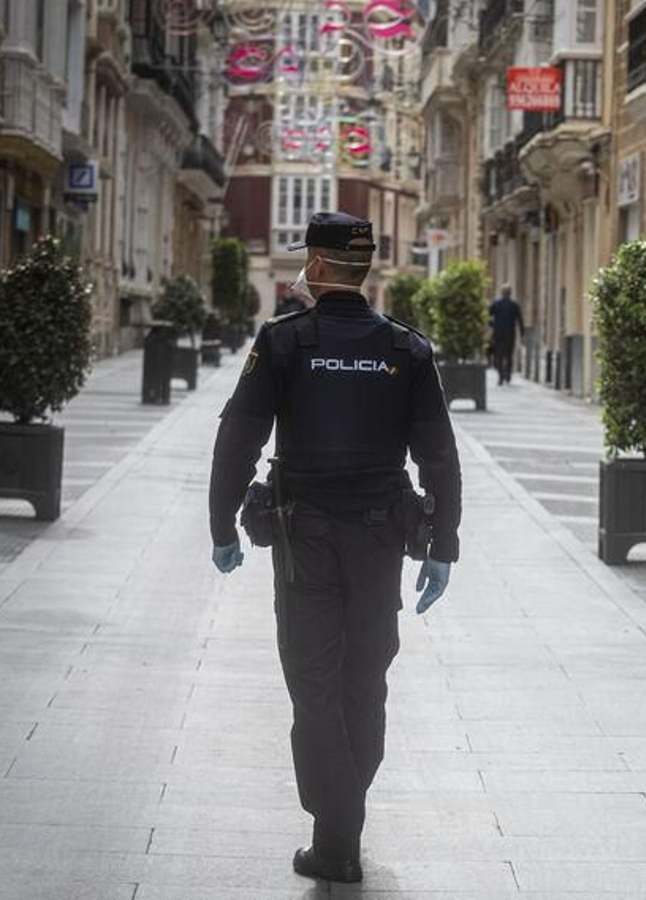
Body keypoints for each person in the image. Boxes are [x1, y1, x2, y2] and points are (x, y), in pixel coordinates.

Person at [206, 212, 462, 885]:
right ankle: (341, 823)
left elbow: (238, 436)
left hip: (304, 541)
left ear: (317, 267)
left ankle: (336, 830)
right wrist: (444, 546)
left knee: (313, 683)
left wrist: (221, 525)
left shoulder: (286, 343)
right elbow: (439, 454)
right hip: (380, 540)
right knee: (366, 678)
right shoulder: (407, 349)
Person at [488, 283, 524, 385]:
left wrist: (491, 325)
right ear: (510, 293)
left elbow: (487, 315)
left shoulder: (496, 304)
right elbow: (520, 320)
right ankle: (508, 375)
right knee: (509, 355)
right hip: (510, 334)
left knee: (498, 356)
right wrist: (522, 334)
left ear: (502, 293)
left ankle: (500, 376)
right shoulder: (514, 305)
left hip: (498, 334)